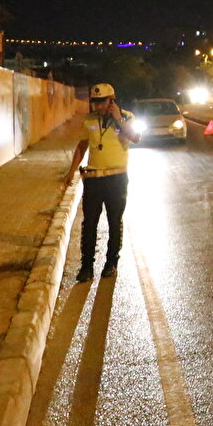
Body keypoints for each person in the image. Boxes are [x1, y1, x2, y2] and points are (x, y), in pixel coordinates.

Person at [63, 83, 141, 283]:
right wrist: (70, 172)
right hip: (94, 179)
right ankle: (86, 266)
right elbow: (82, 146)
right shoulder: (89, 120)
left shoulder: (127, 117)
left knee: (115, 222)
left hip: (117, 179)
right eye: (95, 102)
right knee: (89, 224)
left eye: (101, 102)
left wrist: (118, 118)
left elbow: (135, 137)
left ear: (112, 101)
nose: (97, 106)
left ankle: (111, 263)